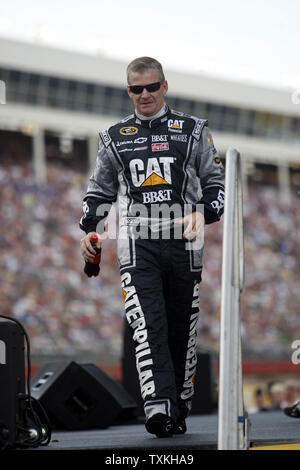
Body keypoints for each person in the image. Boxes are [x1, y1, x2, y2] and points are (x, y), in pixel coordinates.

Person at [79, 57, 225, 437]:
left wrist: (204, 212)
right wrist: (91, 230)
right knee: (149, 324)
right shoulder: (113, 137)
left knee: (181, 328)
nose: (144, 94)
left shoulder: (193, 130)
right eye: (135, 88)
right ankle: (158, 406)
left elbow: (216, 183)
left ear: (164, 86)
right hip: (136, 240)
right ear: (128, 90)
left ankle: (178, 405)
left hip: (185, 240)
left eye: (150, 86)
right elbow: (98, 192)